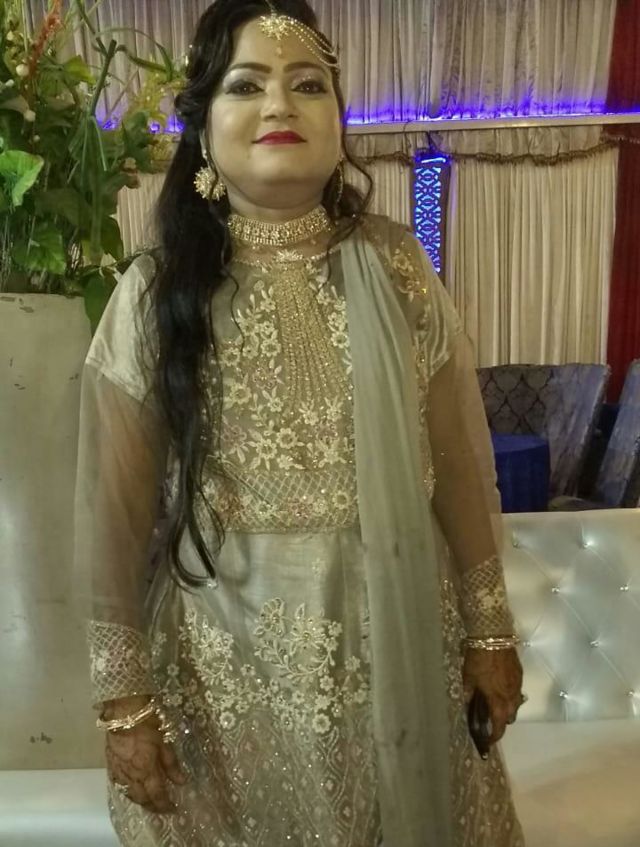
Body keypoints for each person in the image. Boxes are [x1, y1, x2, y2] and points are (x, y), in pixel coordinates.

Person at [74, 1, 526, 845]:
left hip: (402, 650)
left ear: (338, 120)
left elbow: (461, 468)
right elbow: (113, 515)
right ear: (203, 126)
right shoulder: (155, 293)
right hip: (221, 677)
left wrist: (490, 630)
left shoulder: (398, 267)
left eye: (308, 84)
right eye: (247, 85)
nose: (280, 104)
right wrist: (124, 699)